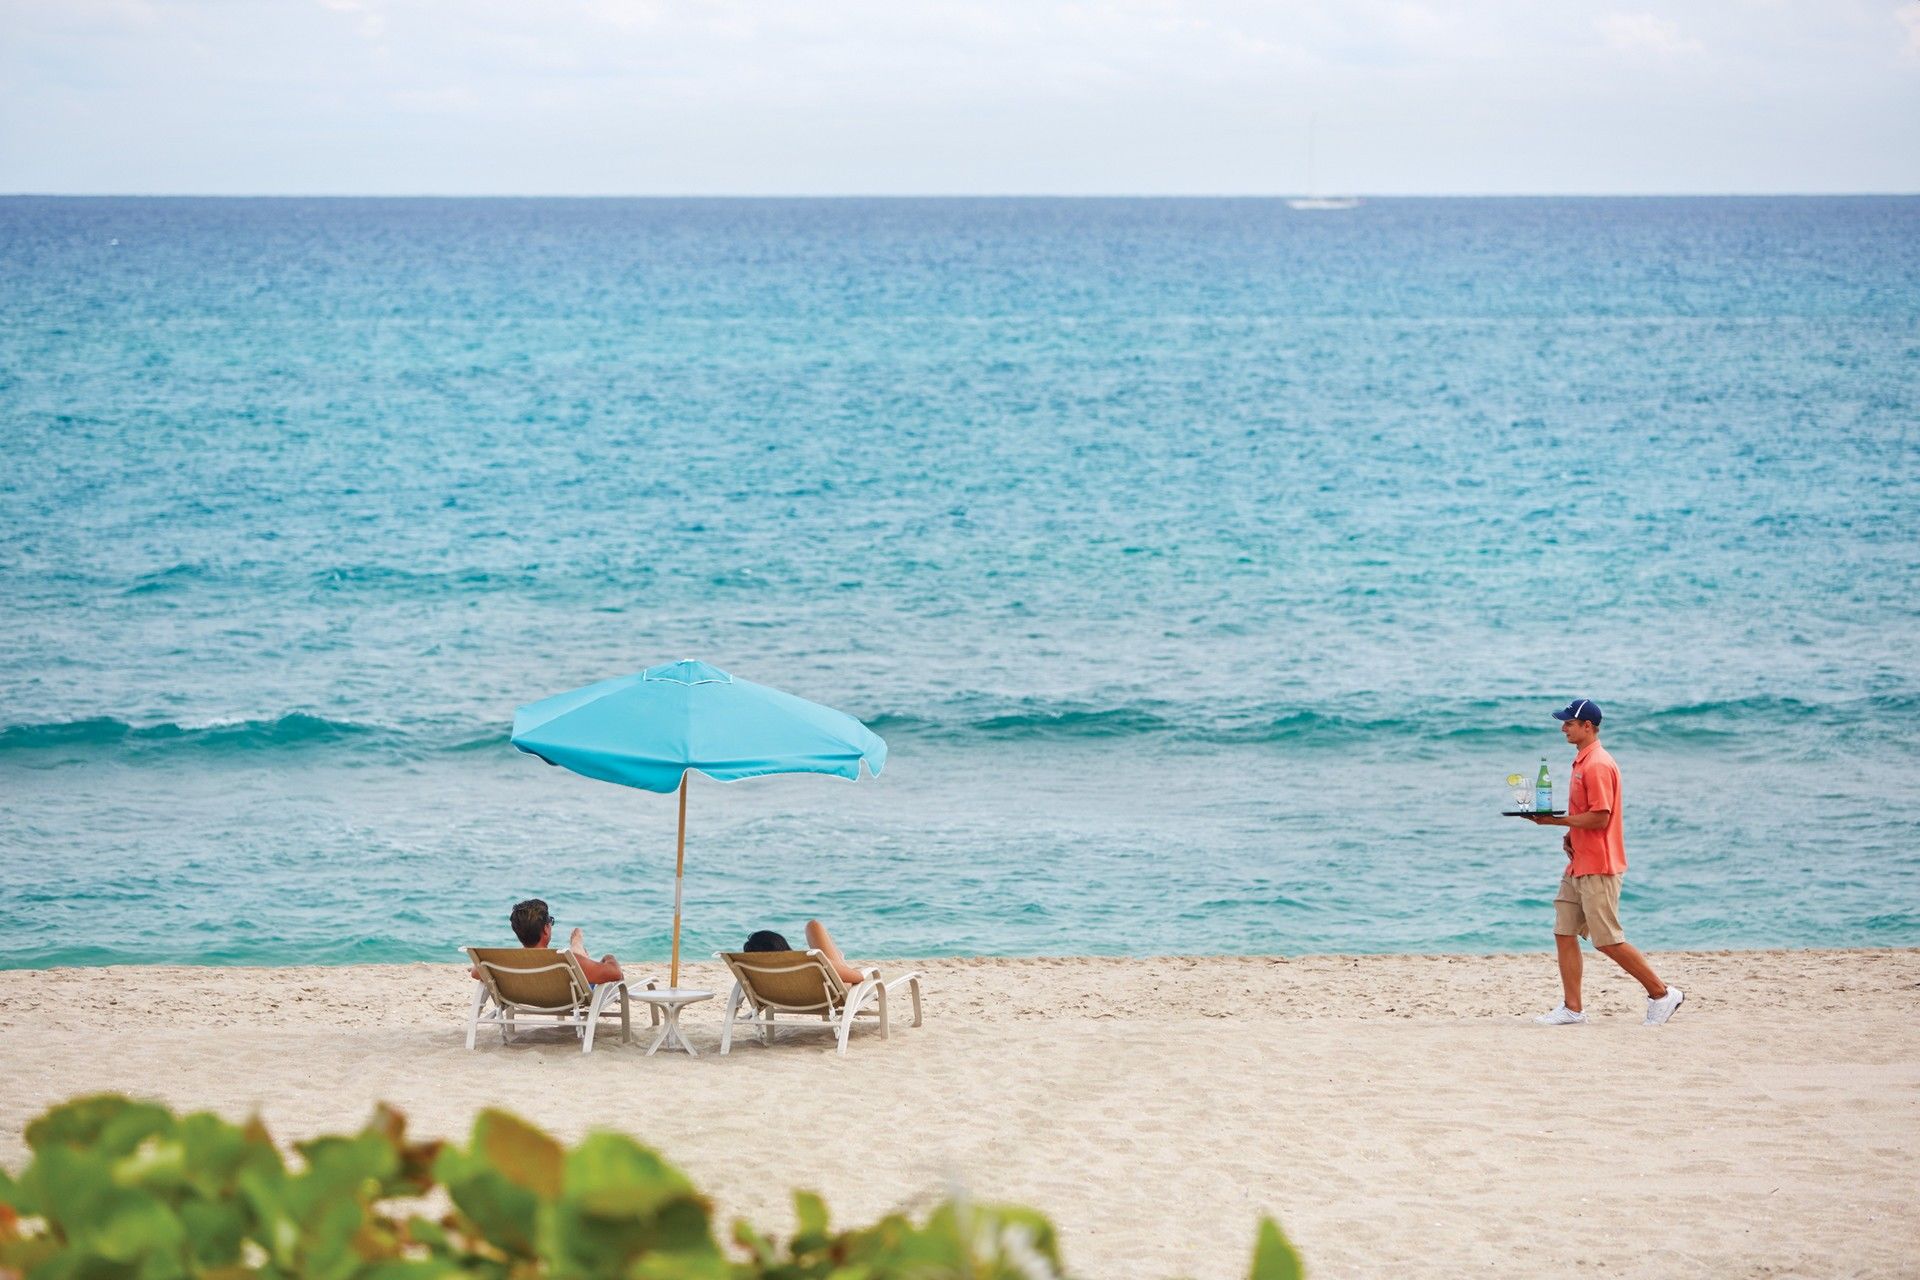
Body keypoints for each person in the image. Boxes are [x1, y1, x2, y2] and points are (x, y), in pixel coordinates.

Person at [1526, 699, 1683, 1027]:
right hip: (1578, 863)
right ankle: (1573, 1009)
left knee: (1607, 939)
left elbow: (1600, 817)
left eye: (1569, 723)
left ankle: (1661, 993)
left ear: (1588, 726)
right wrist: (1569, 833)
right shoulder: (1581, 761)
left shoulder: (1597, 764)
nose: (1563, 727)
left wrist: (1553, 822)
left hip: (1599, 864)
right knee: (1564, 931)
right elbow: (1587, 814)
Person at [470, 898, 623, 985]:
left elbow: (475, 973)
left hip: (525, 997)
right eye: (550, 921)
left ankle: (577, 945)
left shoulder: (504, 962)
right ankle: (577, 944)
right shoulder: (567, 961)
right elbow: (616, 974)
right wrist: (609, 958)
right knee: (581, 957)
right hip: (567, 997)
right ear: (545, 929)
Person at [741, 919, 866, 985]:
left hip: (789, 997)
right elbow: (859, 977)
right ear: (782, 945)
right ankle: (840, 959)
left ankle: (839, 958)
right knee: (813, 925)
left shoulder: (760, 975)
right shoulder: (812, 964)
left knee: (813, 926)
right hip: (836, 991)